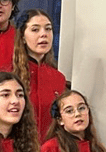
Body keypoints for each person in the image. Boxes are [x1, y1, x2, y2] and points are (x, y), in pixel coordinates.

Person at [11, 9, 66, 141]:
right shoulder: (11, 74)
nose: (44, 34)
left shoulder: (58, 78)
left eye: (48, 29)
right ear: (23, 37)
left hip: (50, 151)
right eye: (35, 30)